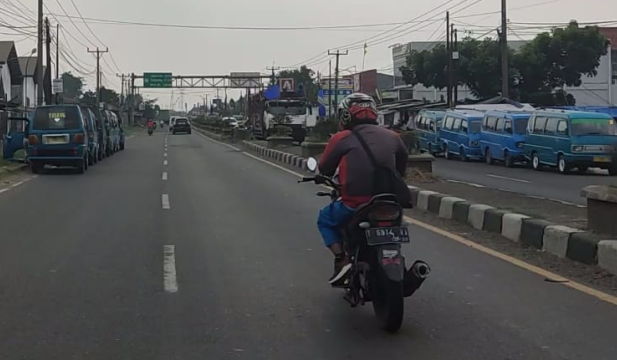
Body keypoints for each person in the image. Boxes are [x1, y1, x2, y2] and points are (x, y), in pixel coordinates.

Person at [317, 93, 409, 284]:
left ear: (346, 115)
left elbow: (325, 168)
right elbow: (401, 169)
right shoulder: (393, 136)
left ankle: (342, 259)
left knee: (325, 219)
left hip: (354, 203)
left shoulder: (341, 138)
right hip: (389, 202)